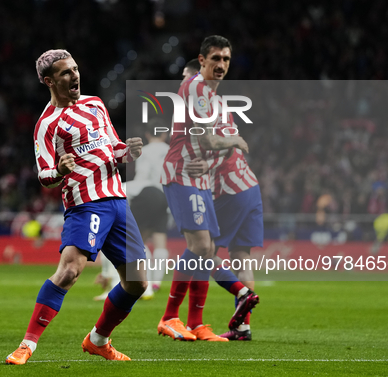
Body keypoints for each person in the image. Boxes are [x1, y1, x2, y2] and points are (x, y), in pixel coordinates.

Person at [5, 49, 147, 364]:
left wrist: (128, 151)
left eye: (75, 69)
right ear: (49, 81)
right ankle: (27, 345)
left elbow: (112, 147)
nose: (74, 76)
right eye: (66, 73)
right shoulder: (46, 124)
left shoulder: (95, 105)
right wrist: (60, 170)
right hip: (86, 203)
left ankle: (98, 340)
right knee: (69, 271)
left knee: (137, 282)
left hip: (117, 199)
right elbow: (44, 174)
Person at [158, 35, 258, 342]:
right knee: (201, 247)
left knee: (208, 250)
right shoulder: (196, 87)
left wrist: (222, 150)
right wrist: (236, 141)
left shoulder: (214, 99)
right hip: (181, 172)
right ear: (202, 61)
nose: (221, 65)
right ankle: (169, 317)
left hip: (201, 179)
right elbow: (208, 141)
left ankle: (196, 323)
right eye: (215, 58)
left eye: (226, 59)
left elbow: (213, 146)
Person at [187, 109, 263, 341]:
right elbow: (229, 145)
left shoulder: (201, 114)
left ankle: (241, 294)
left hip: (229, 191)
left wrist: (206, 165)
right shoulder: (225, 114)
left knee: (204, 250)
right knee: (241, 257)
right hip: (250, 186)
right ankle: (243, 328)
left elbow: (215, 144)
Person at [94, 118, 170, 301]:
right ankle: (153, 284)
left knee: (123, 239)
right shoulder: (172, 152)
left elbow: (143, 179)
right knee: (159, 241)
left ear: (147, 134)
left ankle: (114, 285)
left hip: (147, 194)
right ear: (165, 134)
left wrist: (117, 189)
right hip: (167, 198)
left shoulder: (147, 151)